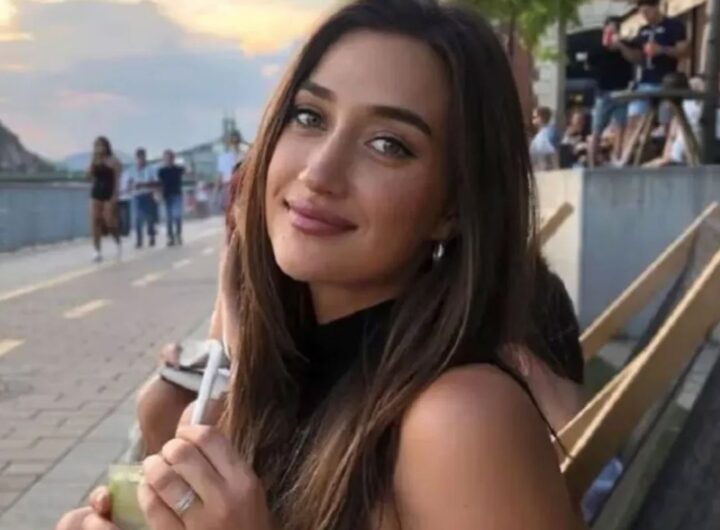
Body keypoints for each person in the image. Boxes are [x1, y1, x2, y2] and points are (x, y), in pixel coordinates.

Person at [57, 1, 584, 529]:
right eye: (309, 117)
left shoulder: (462, 419)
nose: (319, 171)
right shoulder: (286, 378)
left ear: (452, 207)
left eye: (388, 145)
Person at [613, 0, 690, 160]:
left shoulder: (673, 25)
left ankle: (667, 156)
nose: (645, 16)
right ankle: (630, 158)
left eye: (647, 11)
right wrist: (622, 47)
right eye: (642, 13)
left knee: (667, 122)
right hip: (646, 81)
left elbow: (684, 50)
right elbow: (639, 58)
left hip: (667, 81)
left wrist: (662, 49)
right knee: (634, 119)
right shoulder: (643, 30)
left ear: (657, 8)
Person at [586, 16, 634, 166]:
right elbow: (590, 64)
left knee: (621, 127)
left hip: (622, 91)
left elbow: (632, 59)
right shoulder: (597, 49)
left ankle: (617, 160)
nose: (612, 34)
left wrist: (620, 45)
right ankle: (592, 162)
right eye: (609, 31)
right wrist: (605, 46)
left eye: (615, 31)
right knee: (597, 128)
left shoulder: (624, 46)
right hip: (604, 92)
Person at [86, 136, 122, 262]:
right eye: (97, 146)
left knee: (109, 222)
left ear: (107, 147)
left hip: (109, 193)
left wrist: (115, 196)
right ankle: (97, 251)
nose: (99, 148)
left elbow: (117, 180)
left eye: (101, 145)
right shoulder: (94, 160)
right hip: (96, 193)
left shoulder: (114, 161)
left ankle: (117, 241)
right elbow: (88, 177)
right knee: (95, 221)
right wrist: (92, 165)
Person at [127, 148, 158, 248]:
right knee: (138, 219)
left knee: (149, 219)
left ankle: (151, 236)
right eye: (139, 158)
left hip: (148, 195)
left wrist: (144, 184)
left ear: (145, 157)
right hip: (137, 196)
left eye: (142, 158)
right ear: (136, 158)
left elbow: (155, 182)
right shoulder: (132, 170)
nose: (141, 160)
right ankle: (139, 240)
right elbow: (129, 182)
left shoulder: (151, 169)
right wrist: (130, 188)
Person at [157, 149, 185, 246]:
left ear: (173, 159)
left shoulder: (178, 169)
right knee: (168, 218)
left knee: (177, 215)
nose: (168, 160)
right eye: (166, 158)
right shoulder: (161, 171)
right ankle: (170, 237)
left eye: (169, 158)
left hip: (176, 194)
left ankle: (178, 234)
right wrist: (159, 194)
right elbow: (159, 184)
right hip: (166, 196)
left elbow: (187, 172)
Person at [216, 129, 244, 212]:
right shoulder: (226, 157)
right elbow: (221, 177)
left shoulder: (243, 155)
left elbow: (221, 177)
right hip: (232, 187)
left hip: (238, 186)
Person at [530, 106, 560, 171]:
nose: (533, 119)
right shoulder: (541, 133)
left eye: (535, 117)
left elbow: (553, 154)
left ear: (541, 118)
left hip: (547, 170)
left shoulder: (549, 132)